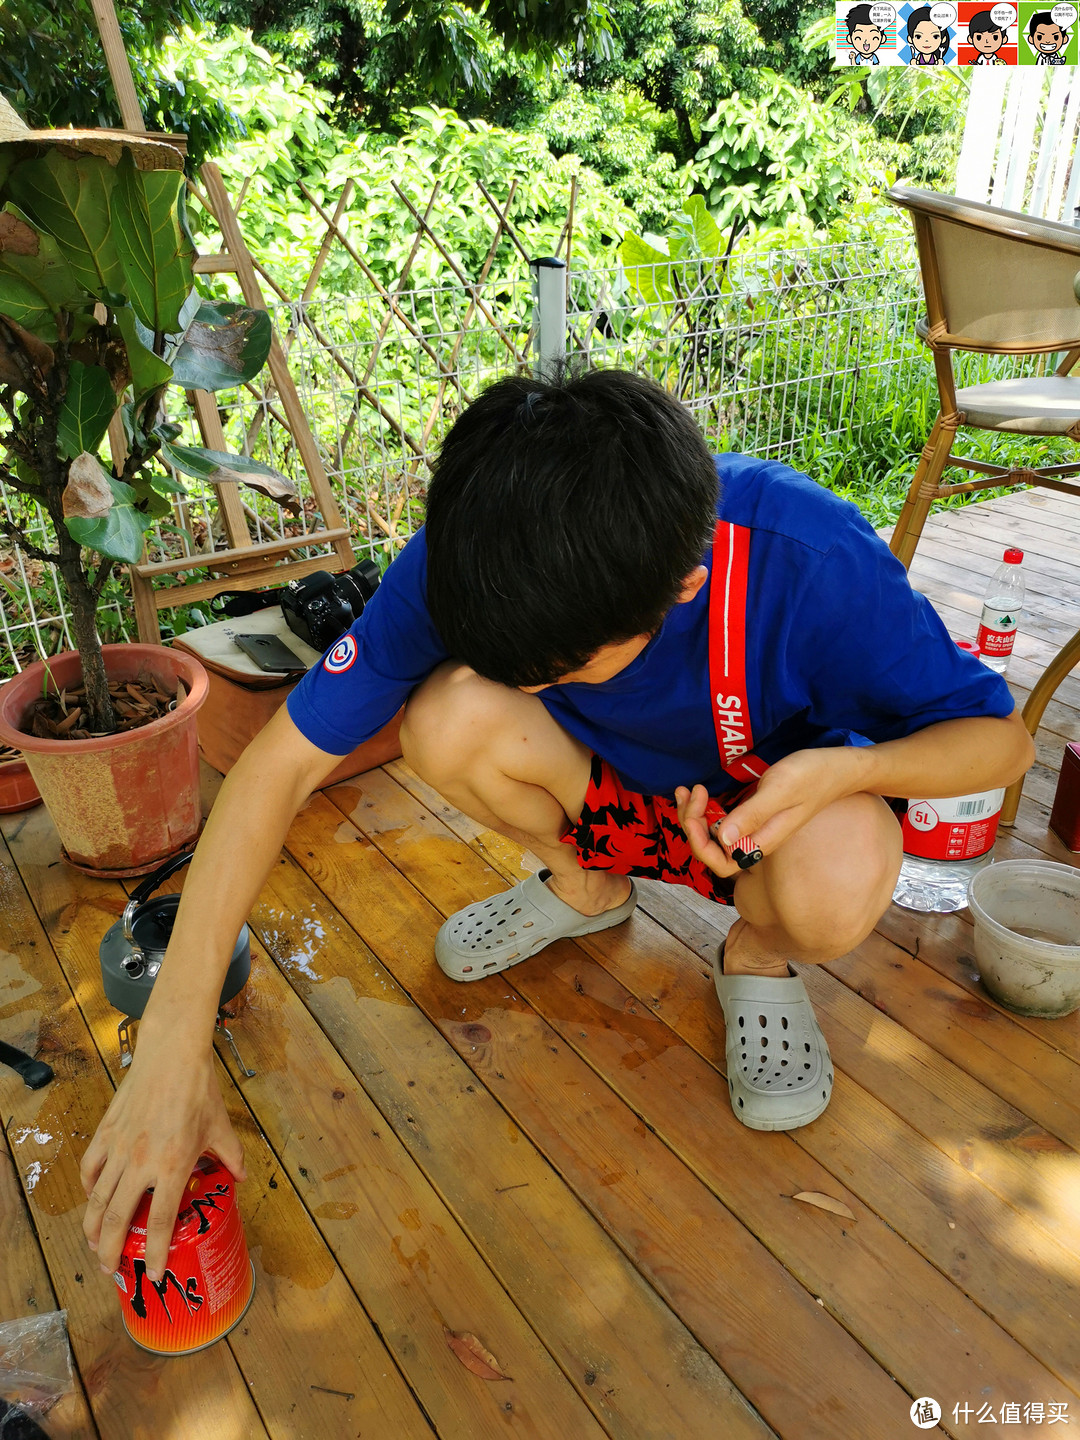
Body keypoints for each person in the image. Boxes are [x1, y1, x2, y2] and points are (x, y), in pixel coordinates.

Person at [79, 368, 1034, 1284]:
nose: (528, 678)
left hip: (762, 826)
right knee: (445, 717)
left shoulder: (809, 559)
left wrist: (849, 768)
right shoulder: (480, 553)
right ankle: (585, 885)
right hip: (600, 800)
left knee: (850, 855)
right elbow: (277, 765)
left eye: (555, 668)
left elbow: (1000, 742)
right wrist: (172, 1041)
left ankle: (759, 957)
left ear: (681, 590)